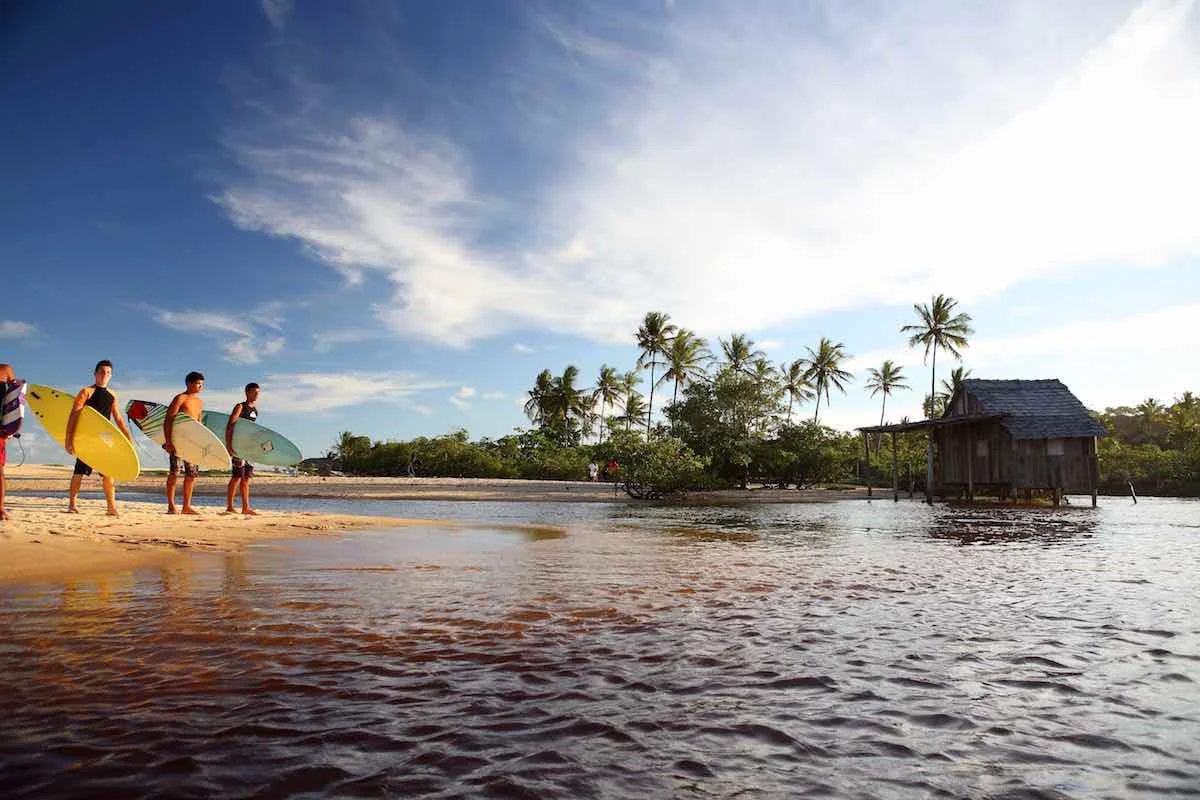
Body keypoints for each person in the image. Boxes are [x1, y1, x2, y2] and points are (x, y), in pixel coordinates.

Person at [66, 360, 134, 516]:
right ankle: (72, 504)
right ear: (95, 373)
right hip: (87, 438)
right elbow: (74, 416)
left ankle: (111, 507)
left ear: (111, 376)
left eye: (108, 372)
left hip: (104, 438)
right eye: (102, 371)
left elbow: (118, 418)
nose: (105, 375)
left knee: (108, 471)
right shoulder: (86, 392)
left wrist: (128, 438)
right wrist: (69, 440)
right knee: (79, 471)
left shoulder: (112, 395)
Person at [164, 371, 205, 515]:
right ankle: (171, 505)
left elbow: (199, 424)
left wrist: (200, 443)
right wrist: (168, 441)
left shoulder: (200, 403)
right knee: (175, 472)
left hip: (192, 443)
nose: (200, 386)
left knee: (191, 474)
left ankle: (186, 506)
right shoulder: (180, 398)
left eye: (202, 384)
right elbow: (168, 420)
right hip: (178, 441)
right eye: (198, 383)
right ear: (189, 383)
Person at [224, 382, 259, 515]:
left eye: (258, 393)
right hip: (238, 446)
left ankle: (246, 507)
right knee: (237, 476)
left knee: (246, 478)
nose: (257, 395)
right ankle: (230, 506)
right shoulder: (240, 407)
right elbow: (230, 425)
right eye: (254, 392)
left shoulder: (255, 410)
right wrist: (229, 444)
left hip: (249, 448)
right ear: (247, 392)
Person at [0, 362, 15, 521]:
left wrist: (12, 425)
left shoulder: (5, 370)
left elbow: (16, 398)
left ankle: (0, 508)